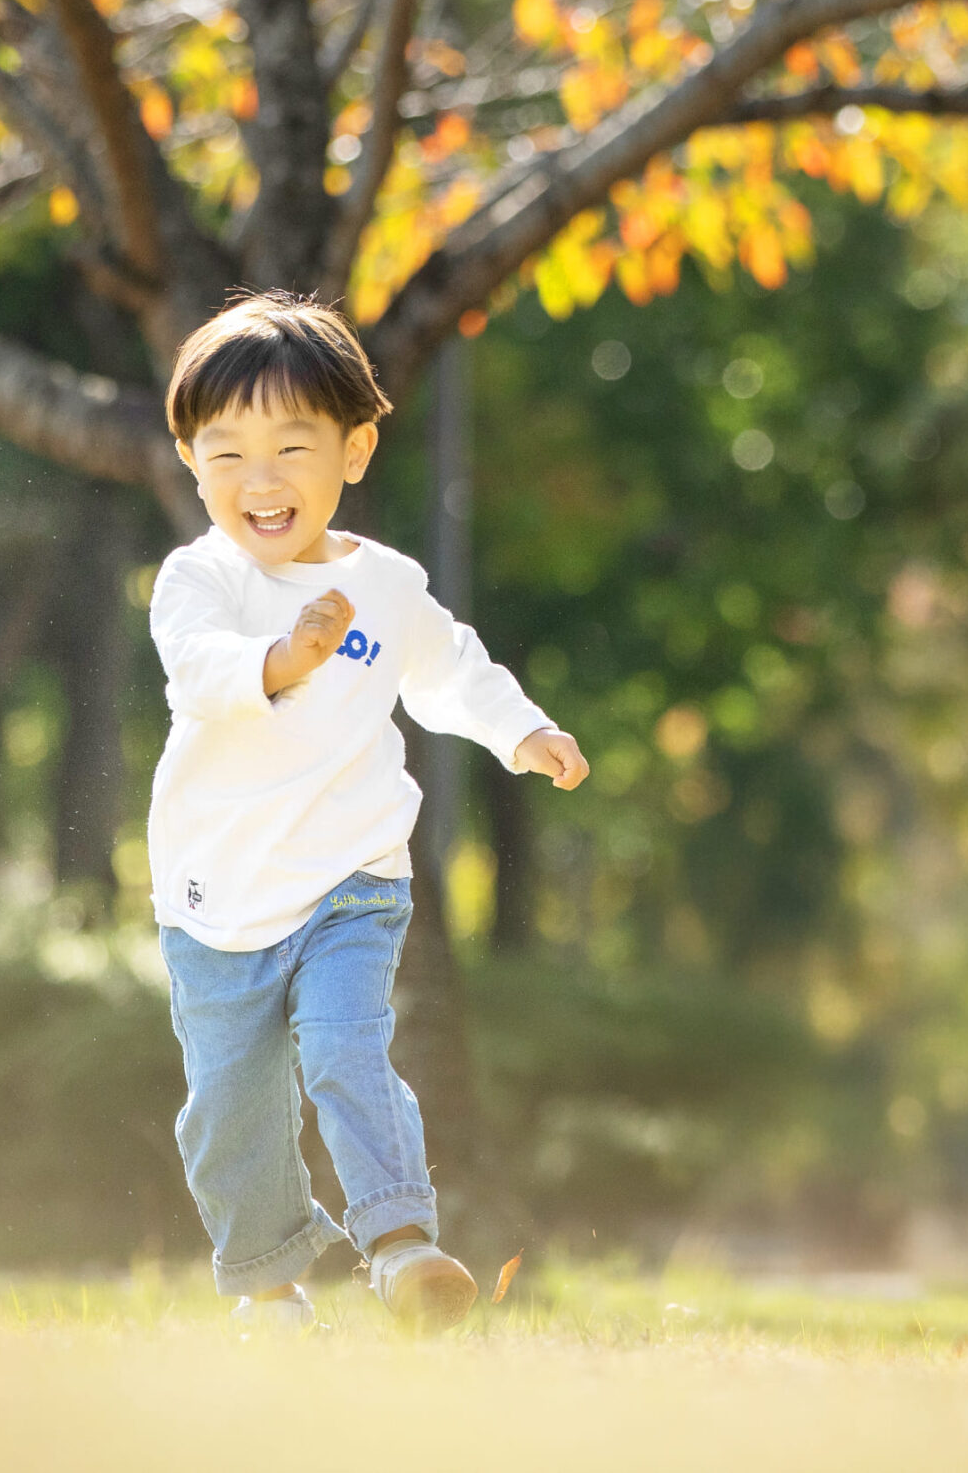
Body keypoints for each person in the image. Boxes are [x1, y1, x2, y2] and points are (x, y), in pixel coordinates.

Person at [144, 291, 588, 1333]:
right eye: (226, 454)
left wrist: (519, 730)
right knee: (231, 1104)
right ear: (190, 461)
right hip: (217, 896)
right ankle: (267, 1281)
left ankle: (401, 1244)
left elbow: (449, 668)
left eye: (292, 446)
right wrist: (281, 657)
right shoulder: (196, 578)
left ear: (354, 449)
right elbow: (199, 671)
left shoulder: (383, 587)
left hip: (352, 877)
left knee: (347, 1048)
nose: (260, 480)